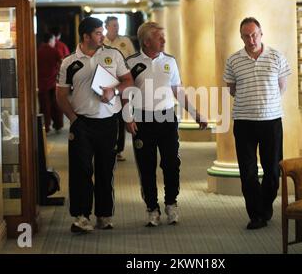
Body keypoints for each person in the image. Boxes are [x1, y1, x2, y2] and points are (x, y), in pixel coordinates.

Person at [125, 22, 207, 227]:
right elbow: (125, 93)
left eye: (163, 37)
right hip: (143, 119)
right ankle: (152, 208)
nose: (164, 40)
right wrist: (127, 117)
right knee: (146, 167)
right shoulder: (131, 62)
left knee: (171, 164)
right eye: (159, 37)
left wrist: (195, 114)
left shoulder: (169, 61)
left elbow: (177, 91)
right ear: (146, 41)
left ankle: (171, 203)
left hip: (168, 118)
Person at [56, 17, 133, 233]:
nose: (103, 36)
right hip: (82, 123)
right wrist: (73, 119)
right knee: (81, 171)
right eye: (98, 33)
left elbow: (128, 81)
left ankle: (104, 215)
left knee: (105, 170)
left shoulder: (113, 54)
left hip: (108, 122)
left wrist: (114, 90)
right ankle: (81, 216)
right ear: (86, 36)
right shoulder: (69, 62)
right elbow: (61, 95)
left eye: (102, 32)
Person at [223, 17, 291, 230]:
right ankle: (256, 215)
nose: (251, 39)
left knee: (272, 170)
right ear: (241, 36)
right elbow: (231, 89)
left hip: (271, 121)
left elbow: (282, 86)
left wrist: (265, 103)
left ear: (261, 34)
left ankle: (264, 206)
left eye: (254, 34)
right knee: (248, 171)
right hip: (244, 122)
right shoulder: (234, 60)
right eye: (246, 35)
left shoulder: (276, 56)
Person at [103, 16, 137, 162]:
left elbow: (134, 60)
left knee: (122, 116)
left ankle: (119, 149)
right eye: (114, 25)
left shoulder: (125, 41)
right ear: (107, 27)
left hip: (123, 82)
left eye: (118, 25)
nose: (116, 28)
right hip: (106, 83)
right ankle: (106, 146)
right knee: (107, 114)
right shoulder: (101, 41)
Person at [37, 32, 64, 133]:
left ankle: (46, 127)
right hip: (53, 82)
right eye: (53, 40)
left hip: (42, 83)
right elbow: (62, 62)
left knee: (44, 106)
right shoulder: (54, 51)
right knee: (56, 105)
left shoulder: (38, 51)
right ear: (51, 40)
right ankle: (58, 125)